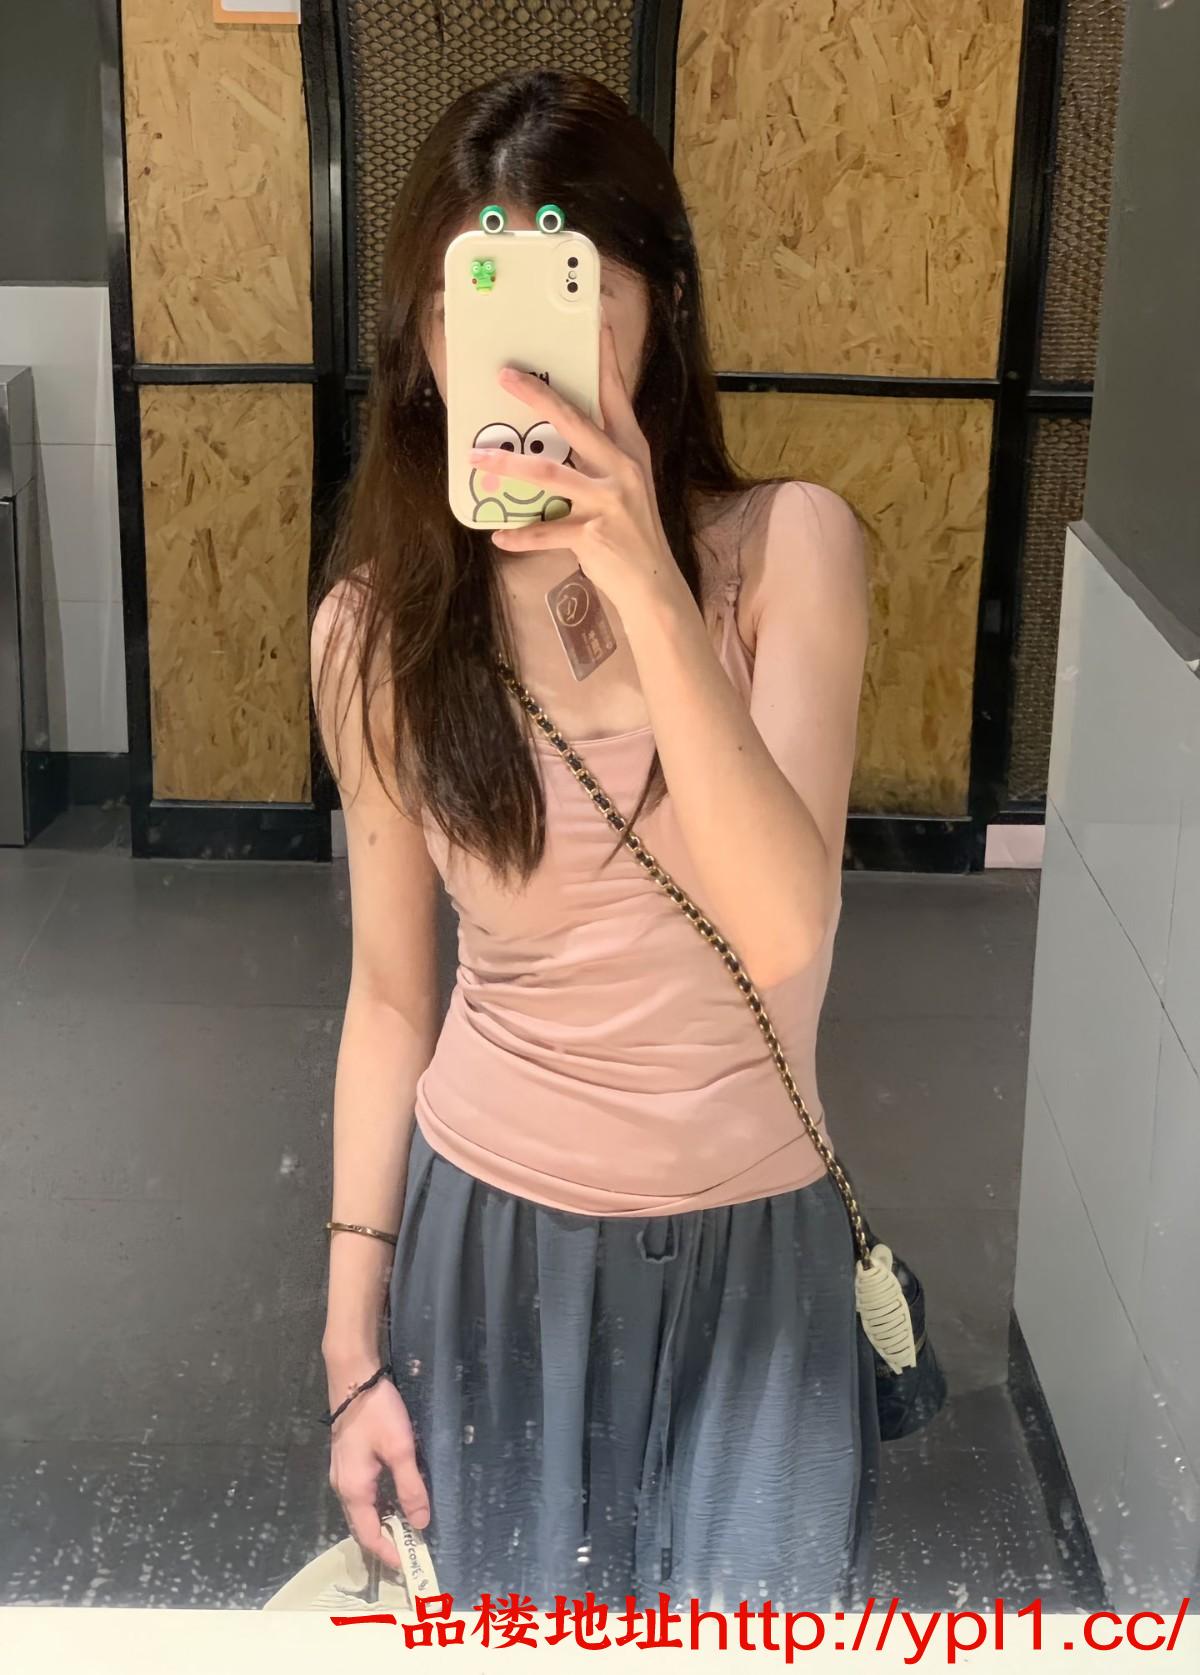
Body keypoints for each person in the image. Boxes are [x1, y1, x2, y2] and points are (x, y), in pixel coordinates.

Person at [309, 66, 878, 1615]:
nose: (511, 362)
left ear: (658, 314)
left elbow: (784, 932)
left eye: (570, 303)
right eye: (463, 307)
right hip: (492, 1242)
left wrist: (640, 577)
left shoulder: (786, 554)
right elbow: (390, 1000)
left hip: (754, 1248)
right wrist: (351, 1347)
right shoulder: (375, 634)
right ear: (424, 345)